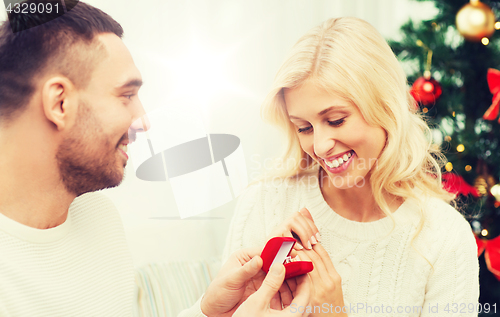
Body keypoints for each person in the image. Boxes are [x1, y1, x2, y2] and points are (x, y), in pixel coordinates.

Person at [0, 1, 310, 316]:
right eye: (126, 95)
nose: (144, 120)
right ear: (60, 103)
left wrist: (209, 312)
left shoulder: (99, 217)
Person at [222, 17, 479, 316]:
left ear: (385, 107)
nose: (320, 146)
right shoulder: (265, 202)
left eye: (335, 120)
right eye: (304, 127)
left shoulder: (444, 237)